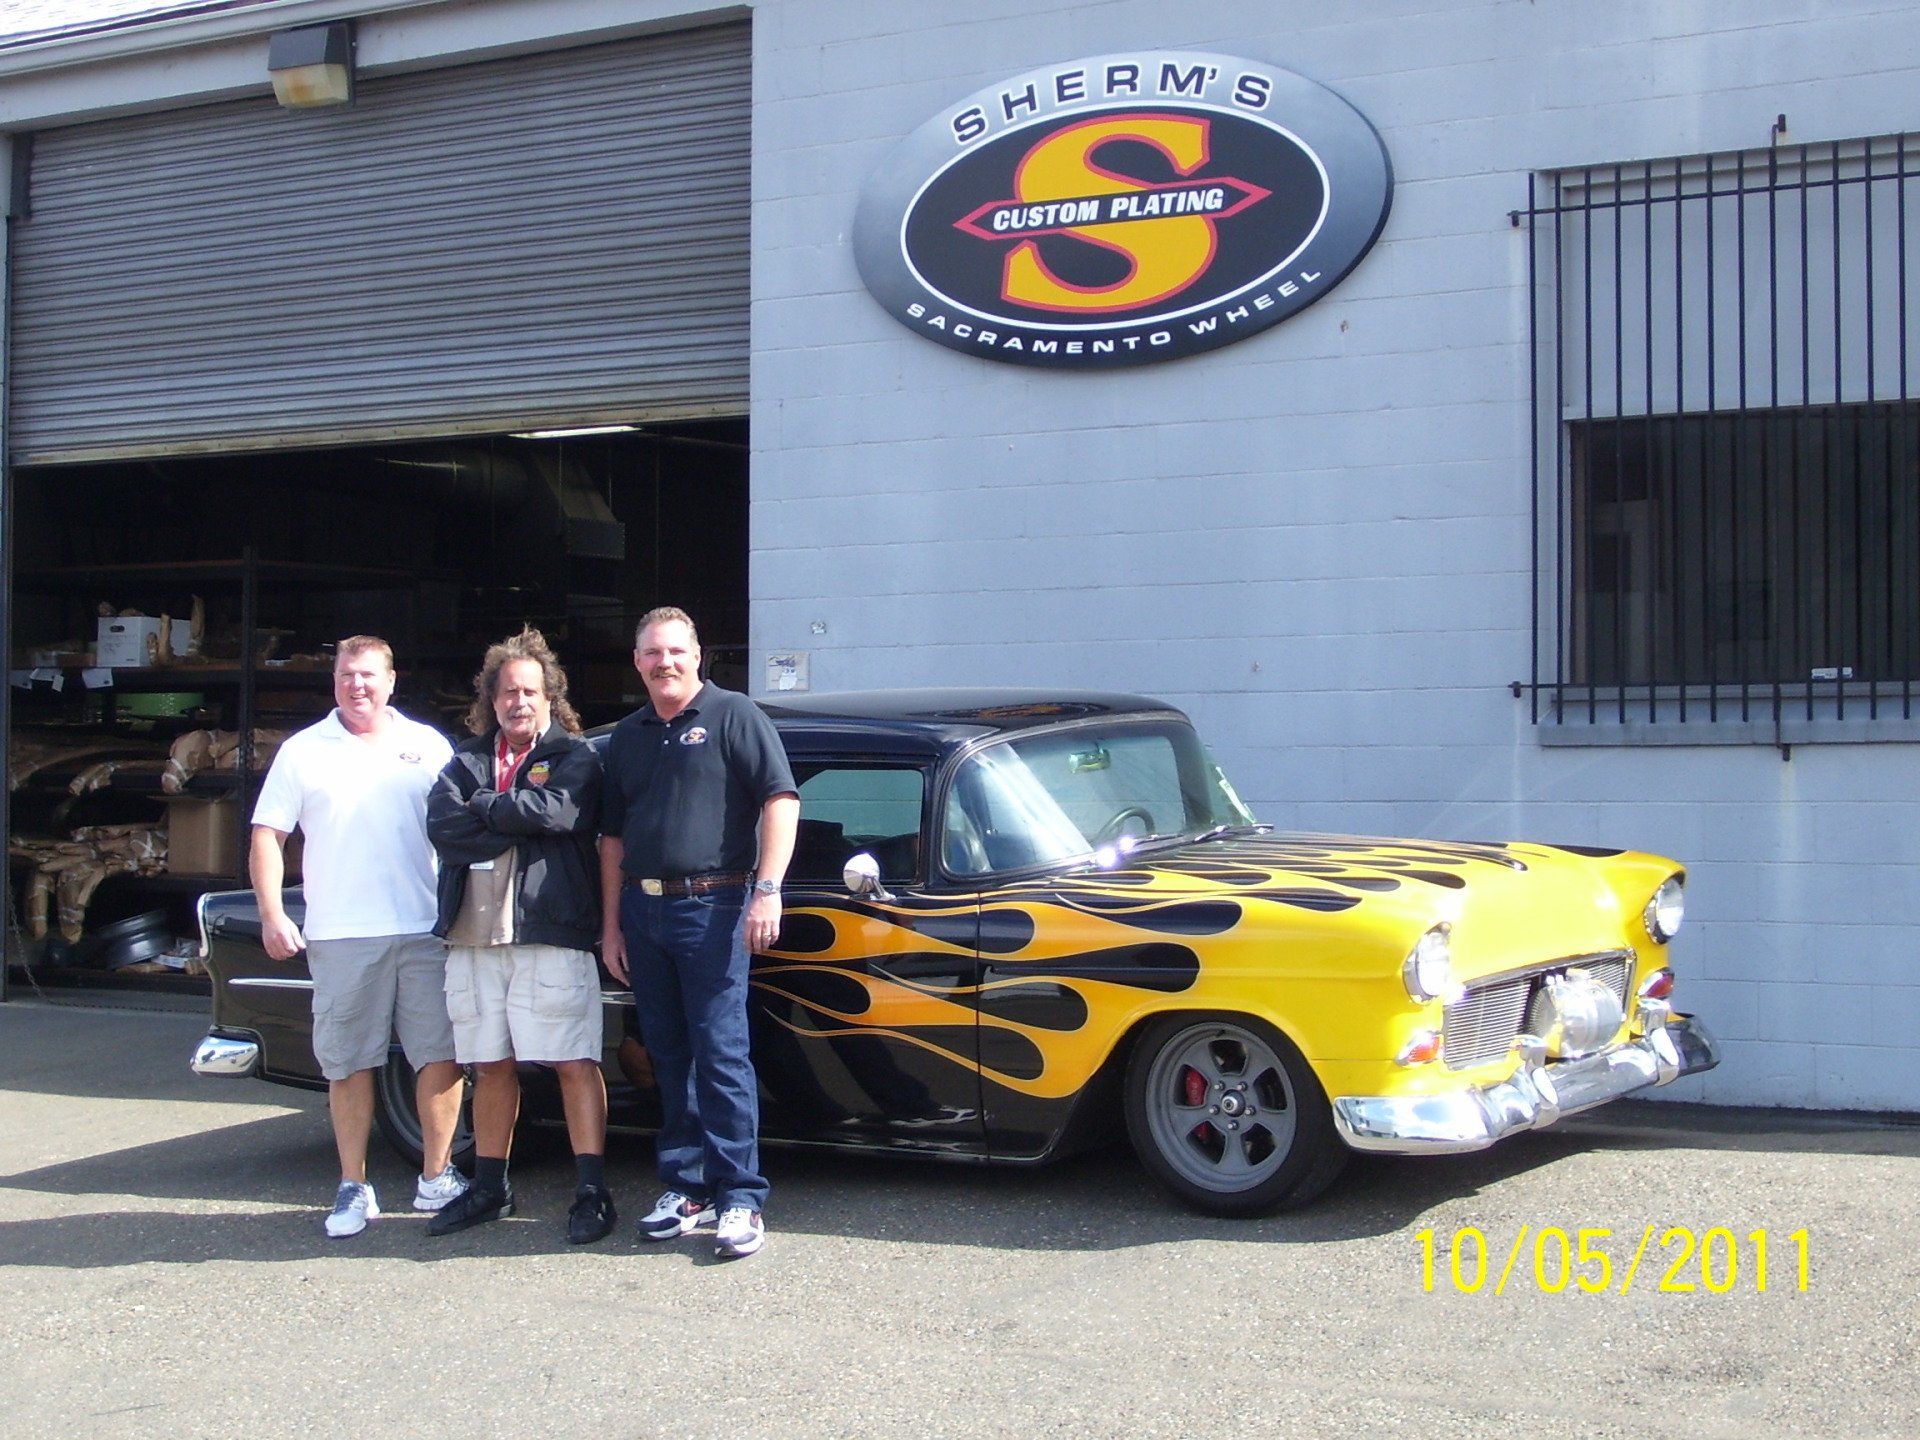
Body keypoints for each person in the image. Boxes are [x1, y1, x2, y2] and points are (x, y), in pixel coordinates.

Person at [250, 636, 466, 1238]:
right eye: (347, 675)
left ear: (392, 682)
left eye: (369, 675)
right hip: (341, 935)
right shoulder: (302, 752)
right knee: (350, 1063)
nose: (358, 685)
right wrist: (273, 913)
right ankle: (353, 1186)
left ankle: (437, 1177)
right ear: (335, 682)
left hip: (424, 930)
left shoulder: (427, 746)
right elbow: (268, 835)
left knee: (441, 1056)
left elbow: (464, 830)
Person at [599, 606, 797, 1259]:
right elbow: (612, 839)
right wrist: (611, 927)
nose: (666, 663)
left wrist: (767, 890)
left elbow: (780, 800)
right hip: (643, 910)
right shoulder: (625, 737)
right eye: (653, 653)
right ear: (637, 661)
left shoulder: (735, 715)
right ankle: (686, 1189)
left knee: (721, 1052)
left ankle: (740, 1197)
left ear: (698, 654)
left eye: (676, 651)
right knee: (668, 1054)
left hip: (715, 908)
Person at [423, 628, 615, 1244]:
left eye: (530, 691)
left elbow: (558, 813)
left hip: (550, 934)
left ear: (550, 697)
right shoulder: (465, 760)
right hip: (473, 939)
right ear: (491, 698)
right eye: (508, 692)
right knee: (489, 1065)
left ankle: (591, 1191)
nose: (519, 703)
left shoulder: (577, 758)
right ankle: (488, 1187)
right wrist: (506, 811)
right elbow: (444, 829)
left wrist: (487, 807)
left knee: (573, 1061)